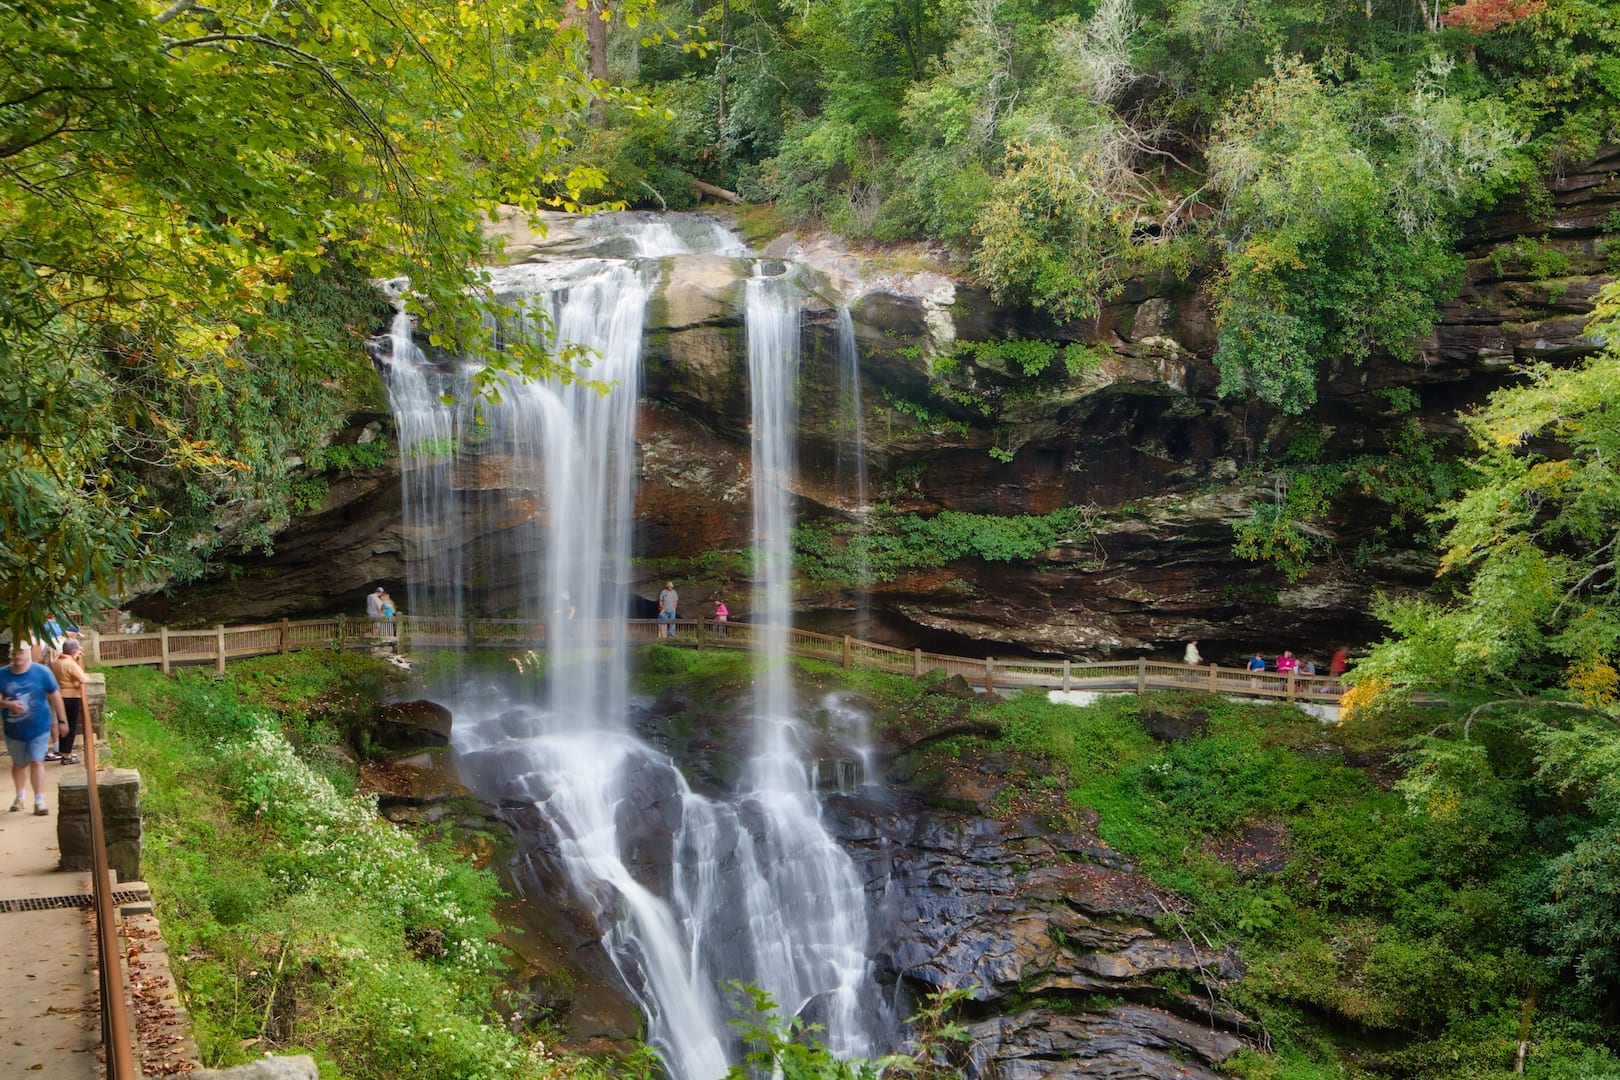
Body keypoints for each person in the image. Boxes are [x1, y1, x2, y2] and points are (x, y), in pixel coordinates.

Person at [2, 643, 68, 816]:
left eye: (20, 653)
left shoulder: (42, 672)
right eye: (14, 654)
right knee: (19, 764)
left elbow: (55, 695)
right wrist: (8, 704)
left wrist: (62, 720)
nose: (17, 657)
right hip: (13, 729)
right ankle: (20, 796)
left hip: (39, 726)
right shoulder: (3, 675)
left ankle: (39, 800)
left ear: (28, 654)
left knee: (37, 761)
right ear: (10, 656)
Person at [50, 640, 86, 765]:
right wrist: (79, 661)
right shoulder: (70, 663)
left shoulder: (56, 661)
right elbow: (83, 678)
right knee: (71, 725)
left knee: (63, 724)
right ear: (74, 650)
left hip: (60, 696)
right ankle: (67, 754)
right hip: (71, 696)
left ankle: (63, 751)